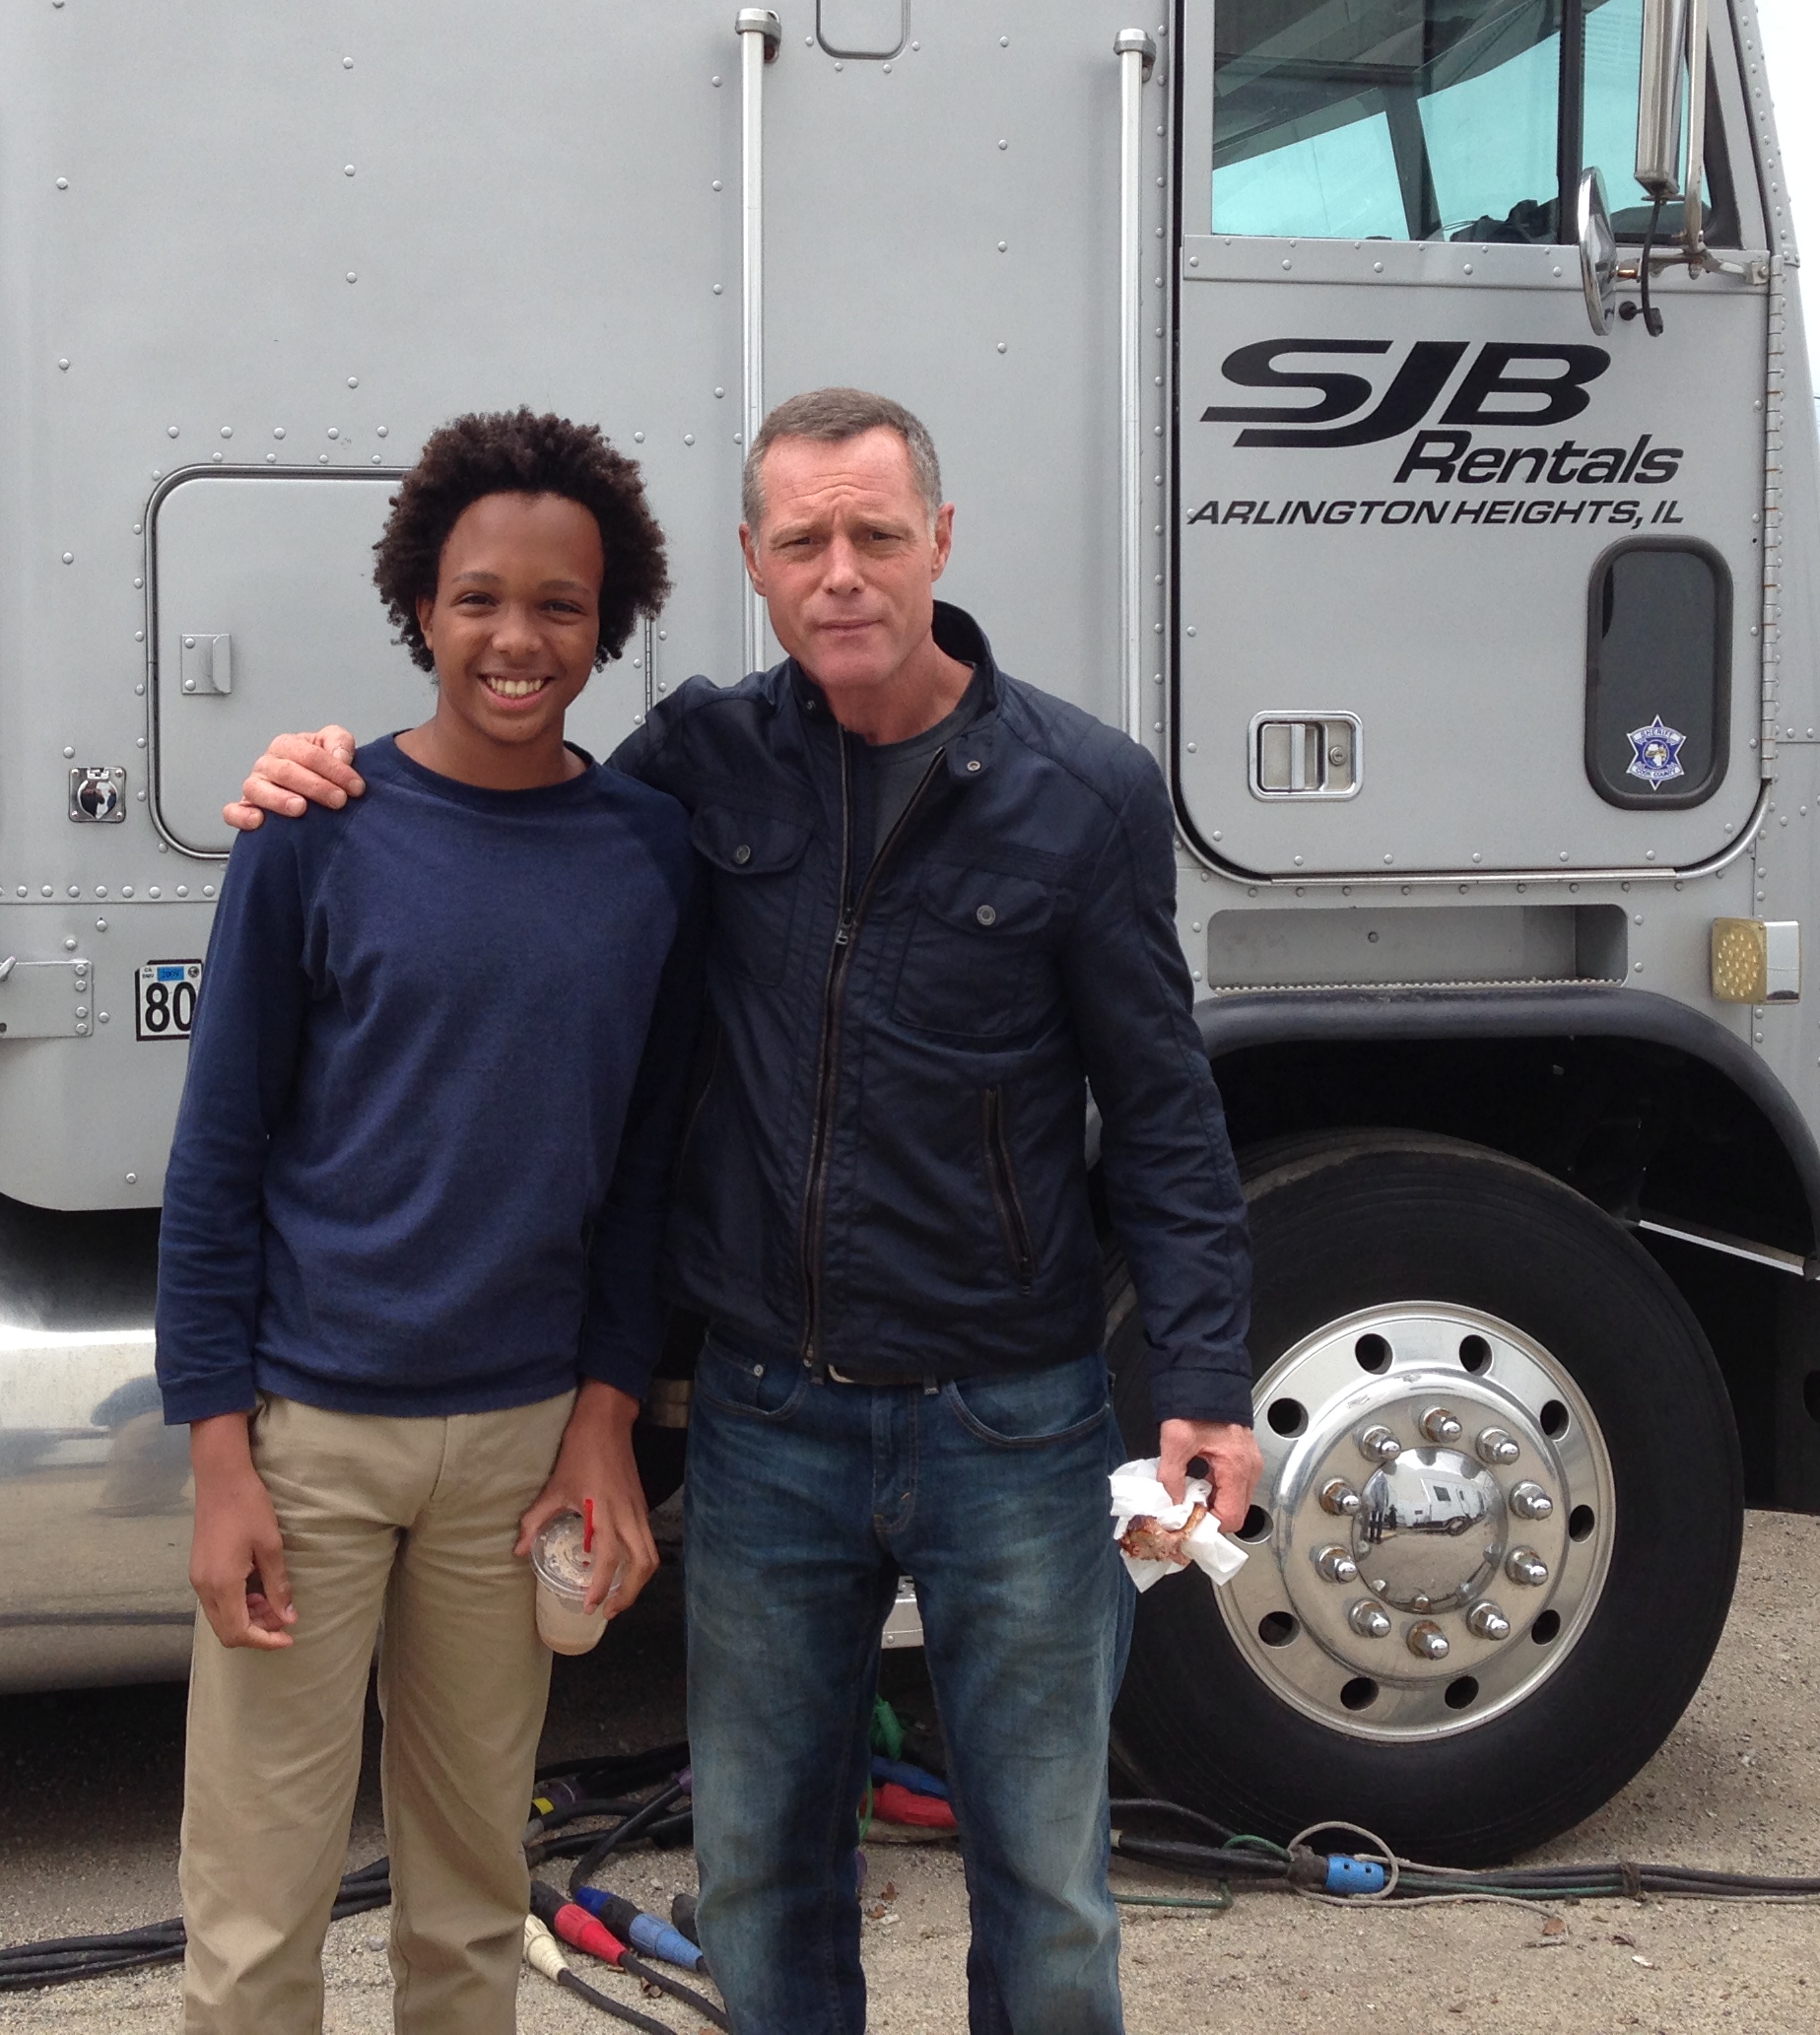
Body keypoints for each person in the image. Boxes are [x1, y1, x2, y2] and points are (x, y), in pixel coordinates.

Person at [229, 387, 1259, 2035]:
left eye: (872, 533)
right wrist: (326, 766)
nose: (840, 571)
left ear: (940, 539)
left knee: (1050, 1891)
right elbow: (512, 797)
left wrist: (1206, 1378)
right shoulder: (704, 761)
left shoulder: (1087, 793)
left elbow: (1162, 1113)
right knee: (768, 1886)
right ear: (753, 564)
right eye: (803, 542)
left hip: (1014, 1418)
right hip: (773, 1416)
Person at [156, 409, 702, 2035]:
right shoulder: (315, 835)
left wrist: (606, 1424)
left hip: (522, 1453)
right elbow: (218, 1157)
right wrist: (219, 1462)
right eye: (478, 600)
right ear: (421, 608)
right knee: (257, 1919)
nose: (516, 639)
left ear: (607, 624)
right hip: (312, 1436)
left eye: (558, 604)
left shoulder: (651, 856)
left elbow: (643, 1177)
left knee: (470, 1914)